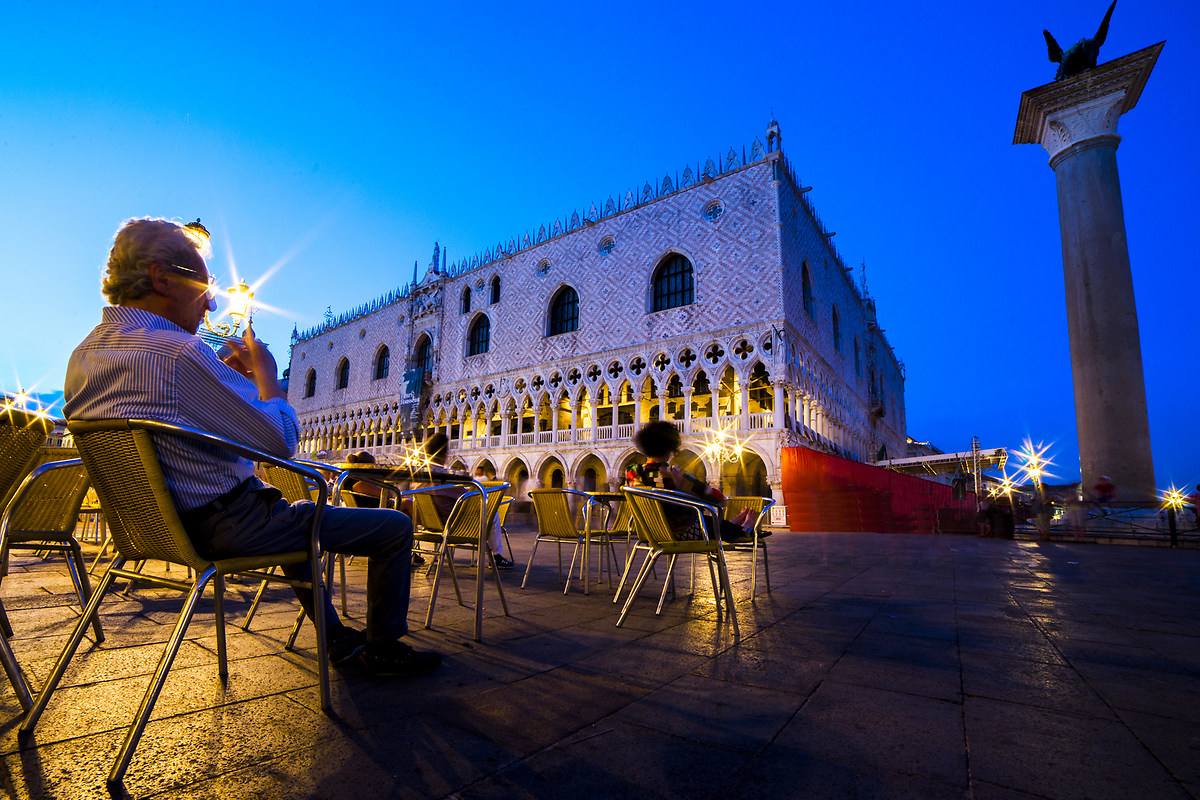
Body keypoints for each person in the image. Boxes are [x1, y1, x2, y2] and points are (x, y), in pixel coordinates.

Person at [63, 217, 440, 678]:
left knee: (295, 517)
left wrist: (230, 390)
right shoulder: (177, 352)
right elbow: (280, 442)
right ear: (162, 278)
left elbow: (180, 416)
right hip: (225, 525)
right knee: (394, 528)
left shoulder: (84, 356)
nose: (210, 305)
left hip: (151, 527)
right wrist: (267, 377)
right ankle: (383, 648)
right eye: (204, 286)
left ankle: (337, 638)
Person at [624, 421, 753, 542]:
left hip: (648, 531)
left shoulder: (631, 472)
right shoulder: (674, 474)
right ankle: (745, 527)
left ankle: (733, 525)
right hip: (680, 532)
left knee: (711, 522)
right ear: (671, 447)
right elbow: (717, 498)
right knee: (710, 524)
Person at [407, 434, 514, 569]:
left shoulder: (418, 477)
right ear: (444, 453)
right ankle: (496, 556)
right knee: (492, 514)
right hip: (452, 525)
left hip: (428, 522)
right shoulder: (445, 477)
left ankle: (410, 552)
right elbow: (471, 498)